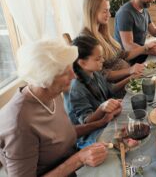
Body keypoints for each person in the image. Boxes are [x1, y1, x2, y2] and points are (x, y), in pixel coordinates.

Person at [0, 39, 108, 176]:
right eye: (65, 73)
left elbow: (61, 135)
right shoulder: (19, 124)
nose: (73, 76)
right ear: (46, 78)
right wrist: (79, 159)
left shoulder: (52, 93)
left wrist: (100, 123)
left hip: (74, 167)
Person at [64, 36, 130, 147]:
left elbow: (110, 89)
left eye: (102, 57)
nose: (102, 60)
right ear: (83, 63)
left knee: (132, 121)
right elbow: (86, 122)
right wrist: (102, 108)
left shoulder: (94, 73)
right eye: (98, 59)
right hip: (90, 135)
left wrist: (130, 78)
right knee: (124, 139)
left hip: (105, 120)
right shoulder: (76, 88)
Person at [81, 0, 145, 85]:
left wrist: (146, 48)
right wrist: (130, 70)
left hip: (129, 78)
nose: (109, 14)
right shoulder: (86, 40)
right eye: (105, 11)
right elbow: (102, 75)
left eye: (109, 10)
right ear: (93, 12)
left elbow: (123, 55)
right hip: (119, 87)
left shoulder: (102, 32)